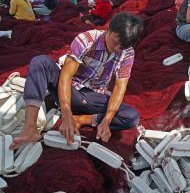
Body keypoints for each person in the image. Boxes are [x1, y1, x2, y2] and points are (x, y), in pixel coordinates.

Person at [10, 12, 143, 150]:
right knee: (41, 62)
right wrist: (66, 114)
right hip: (69, 90)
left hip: (92, 97)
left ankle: (82, 119)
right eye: (115, 43)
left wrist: (106, 120)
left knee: (131, 116)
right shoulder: (86, 40)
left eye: (122, 47)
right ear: (108, 29)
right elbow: (66, 75)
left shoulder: (128, 53)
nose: (116, 49)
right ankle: (29, 129)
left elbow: (120, 87)